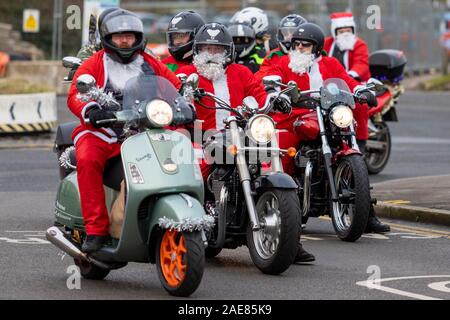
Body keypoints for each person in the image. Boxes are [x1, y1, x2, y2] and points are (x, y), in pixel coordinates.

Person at [176, 23, 315, 263]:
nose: (211, 54)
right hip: (201, 135)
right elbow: (175, 98)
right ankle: (188, 226)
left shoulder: (241, 73)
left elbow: (260, 93)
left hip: (242, 134)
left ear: (227, 51)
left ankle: (290, 239)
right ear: (197, 50)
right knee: (192, 170)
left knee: (274, 159)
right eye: (206, 48)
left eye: (217, 49)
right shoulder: (189, 75)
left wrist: (275, 99)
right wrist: (183, 98)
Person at [67, 9, 181, 253]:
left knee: (180, 153)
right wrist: (91, 110)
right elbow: (76, 93)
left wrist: (185, 103)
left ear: (138, 37)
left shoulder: (150, 63)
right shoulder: (95, 63)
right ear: (108, 38)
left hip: (143, 132)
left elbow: (175, 86)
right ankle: (96, 230)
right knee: (87, 159)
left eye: (129, 36)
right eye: (119, 36)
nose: (125, 41)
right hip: (101, 133)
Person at [265, 22, 389, 234]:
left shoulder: (330, 64)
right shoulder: (285, 64)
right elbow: (266, 78)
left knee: (351, 149)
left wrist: (361, 90)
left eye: (306, 45)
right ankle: (288, 208)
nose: (300, 49)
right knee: (283, 151)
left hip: (328, 116)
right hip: (295, 118)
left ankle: (365, 214)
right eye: (297, 45)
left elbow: (347, 80)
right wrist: (274, 90)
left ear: (317, 47)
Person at [324, 13, 390, 233]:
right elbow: (322, 64)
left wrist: (348, 79)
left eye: (347, 31)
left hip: (352, 93)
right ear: (334, 32)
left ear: (352, 31)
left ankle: (368, 216)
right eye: (340, 31)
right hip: (326, 97)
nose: (344, 35)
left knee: (357, 163)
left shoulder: (359, 45)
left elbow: (361, 65)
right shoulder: (326, 46)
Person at [256, 14, 307, 81]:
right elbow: (260, 78)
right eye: (285, 32)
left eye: (292, 32)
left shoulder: (312, 55)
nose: (288, 36)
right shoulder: (272, 56)